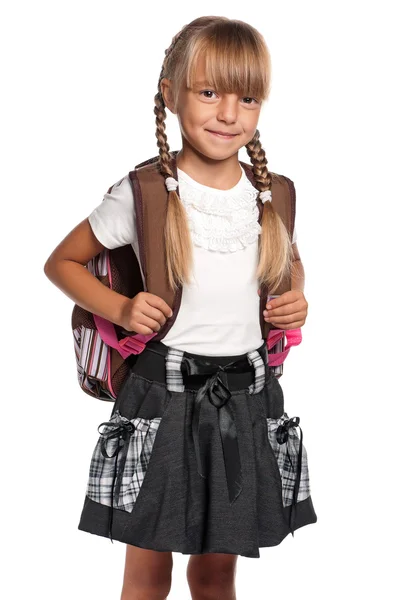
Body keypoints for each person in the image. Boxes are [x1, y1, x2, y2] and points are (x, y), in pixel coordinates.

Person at [44, 15, 316, 600]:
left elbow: (283, 263)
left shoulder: (274, 193)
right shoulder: (142, 193)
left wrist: (296, 299)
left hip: (245, 398)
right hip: (161, 397)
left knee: (218, 574)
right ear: (170, 94)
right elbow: (60, 263)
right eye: (209, 92)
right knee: (148, 571)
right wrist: (119, 308)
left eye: (247, 97)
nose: (228, 113)